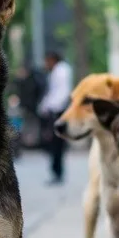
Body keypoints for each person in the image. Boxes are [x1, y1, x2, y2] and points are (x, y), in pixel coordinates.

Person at [37, 51, 73, 185]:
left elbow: (63, 92)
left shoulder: (62, 70)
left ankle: (58, 172)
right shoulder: (56, 71)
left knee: (57, 144)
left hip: (58, 112)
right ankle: (56, 171)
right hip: (54, 110)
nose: (46, 65)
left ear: (52, 59)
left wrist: (50, 106)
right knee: (54, 144)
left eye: (47, 61)